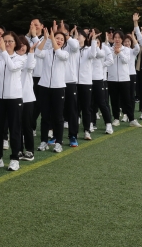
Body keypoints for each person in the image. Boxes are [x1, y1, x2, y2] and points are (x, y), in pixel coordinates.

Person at [0, 31, 25, 170]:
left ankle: (15, 158)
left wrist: (3, 52)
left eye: (10, 41)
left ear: (15, 43)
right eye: (4, 41)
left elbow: (12, 67)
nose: (7, 44)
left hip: (14, 98)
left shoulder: (20, 58)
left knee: (15, 129)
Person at [35, 24, 69, 153]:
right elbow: (38, 53)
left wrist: (53, 39)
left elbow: (59, 53)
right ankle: (44, 141)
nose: (59, 40)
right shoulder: (47, 52)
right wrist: (45, 39)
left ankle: (58, 142)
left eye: (61, 39)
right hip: (44, 87)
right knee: (45, 116)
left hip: (58, 88)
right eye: (57, 38)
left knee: (58, 116)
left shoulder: (64, 53)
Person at [106, 32, 142, 128]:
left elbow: (126, 60)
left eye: (119, 38)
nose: (117, 39)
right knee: (114, 100)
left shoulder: (126, 49)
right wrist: (114, 53)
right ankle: (116, 118)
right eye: (115, 37)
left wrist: (120, 52)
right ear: (113, 39)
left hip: (124, 79)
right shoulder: (109, 49)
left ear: (122, 39)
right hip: (112, 79)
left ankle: (131, 119)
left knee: (127, 100)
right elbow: (109, 61)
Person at [75, 30, 100, 141]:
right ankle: (73, 132)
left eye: (80, 35)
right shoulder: (72, 50)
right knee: (74, 109)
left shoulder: (89, 49)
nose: (78, 37)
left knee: (86, 108)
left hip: (86, 82)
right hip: (74, 82)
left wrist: (93, 40)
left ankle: (86, 131)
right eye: (76, 35)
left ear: (85, 38)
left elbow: (94, 54)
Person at [15, 35, 37, 161]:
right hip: (14, 97)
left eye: (24, 45)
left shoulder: (30, 58)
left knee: (26, 126)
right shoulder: (12, 58)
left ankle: (29, 151)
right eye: (20, 44)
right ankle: (18, 150)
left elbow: (29, 67)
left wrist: (32, 52)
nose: (22, 47)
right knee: (16, 126)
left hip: (27, 98)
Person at [89, 30, 114, 135]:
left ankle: (108, 124)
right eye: (93, 41)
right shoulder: (87, 50)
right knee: (90, 104)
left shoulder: (102, 50)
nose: (95, 44)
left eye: (97, 42)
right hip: (87, 80)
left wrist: (101, 66)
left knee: (102, 103)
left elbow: (104, 57)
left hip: (99, 79)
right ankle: (91, 123)